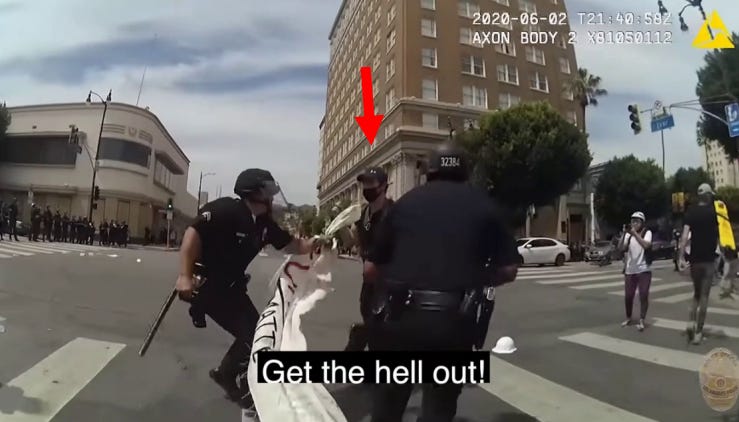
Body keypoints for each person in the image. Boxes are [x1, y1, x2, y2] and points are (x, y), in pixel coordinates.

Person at [364, 141, 519, 421]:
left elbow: (370, 270)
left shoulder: (404, 204)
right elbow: (509, 270)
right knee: (439, 408)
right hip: (455, 323)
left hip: (400, 320)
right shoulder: (486, 206)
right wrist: (477, 279)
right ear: (465, 172)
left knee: (388, 405)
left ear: (429, 171)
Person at [174, 168, 319, 411]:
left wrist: (316, 243)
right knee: (255, 336)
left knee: (259, 333)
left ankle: (225, 373)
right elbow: (192, 234)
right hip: (210, 287)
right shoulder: (225, 210)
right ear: (252, 193)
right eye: (267, 193)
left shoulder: (264, 225)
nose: (271, 198)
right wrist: (184, 276)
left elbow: (293, 245)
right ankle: (235, 378)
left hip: (232, 289)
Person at [340, 167, 393, 351]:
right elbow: (353, 242)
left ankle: (361, 337)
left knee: (382, 336)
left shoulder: (392, 213)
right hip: (369, 287)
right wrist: (340, 226)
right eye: (364, 183)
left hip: (388, 286)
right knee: (372, 325)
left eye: (371, 182)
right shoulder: (364, 214)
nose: (366, 187)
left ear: (383, 186)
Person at [679, 183, 720, 345]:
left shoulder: (691, 212)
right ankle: (698, 332)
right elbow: (721, 235)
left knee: (696, 294)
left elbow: (684, 237)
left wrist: (681, 257)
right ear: (708, 195)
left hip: (694, 260)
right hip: (709, 260)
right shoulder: (714, 212)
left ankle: (691, 322)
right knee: (704, 296)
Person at [617, 211, 653, 331]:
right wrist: (624, 234)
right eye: (633, 221)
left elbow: (646, 245)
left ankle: (642, 319)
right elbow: (621, 248)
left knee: (643, 294)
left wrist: (634, 234)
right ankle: (628, 317)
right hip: (630, 270)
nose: (634, 224)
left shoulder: (647, 232)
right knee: (628, 296)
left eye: (637, 221)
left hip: (644, 269)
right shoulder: (628, 235)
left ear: (642, 223)